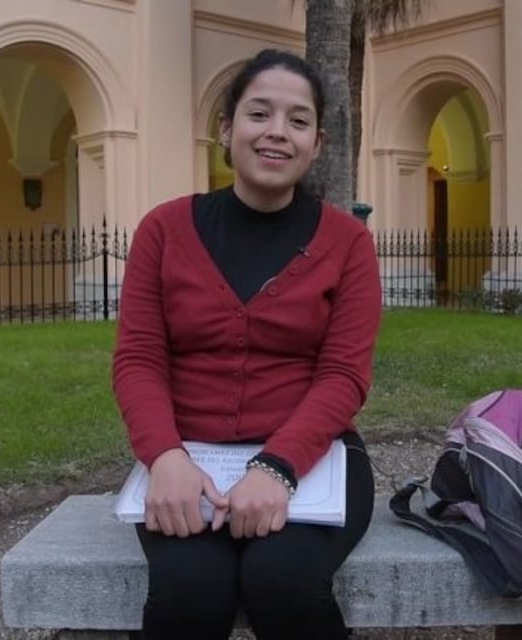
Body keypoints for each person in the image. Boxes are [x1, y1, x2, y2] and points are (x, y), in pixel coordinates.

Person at [111, 48, 382, 640]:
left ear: (318, 143)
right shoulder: (163, 230)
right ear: (227, 129)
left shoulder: (348, 243)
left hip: (315, 459)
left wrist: (277, 468)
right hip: (189, 460)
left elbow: (344, 374)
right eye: (260, 114)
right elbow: (138, 359)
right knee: (189, 592)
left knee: (282, 581)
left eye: (298, 121)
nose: (277, 133)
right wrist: (164, 457)